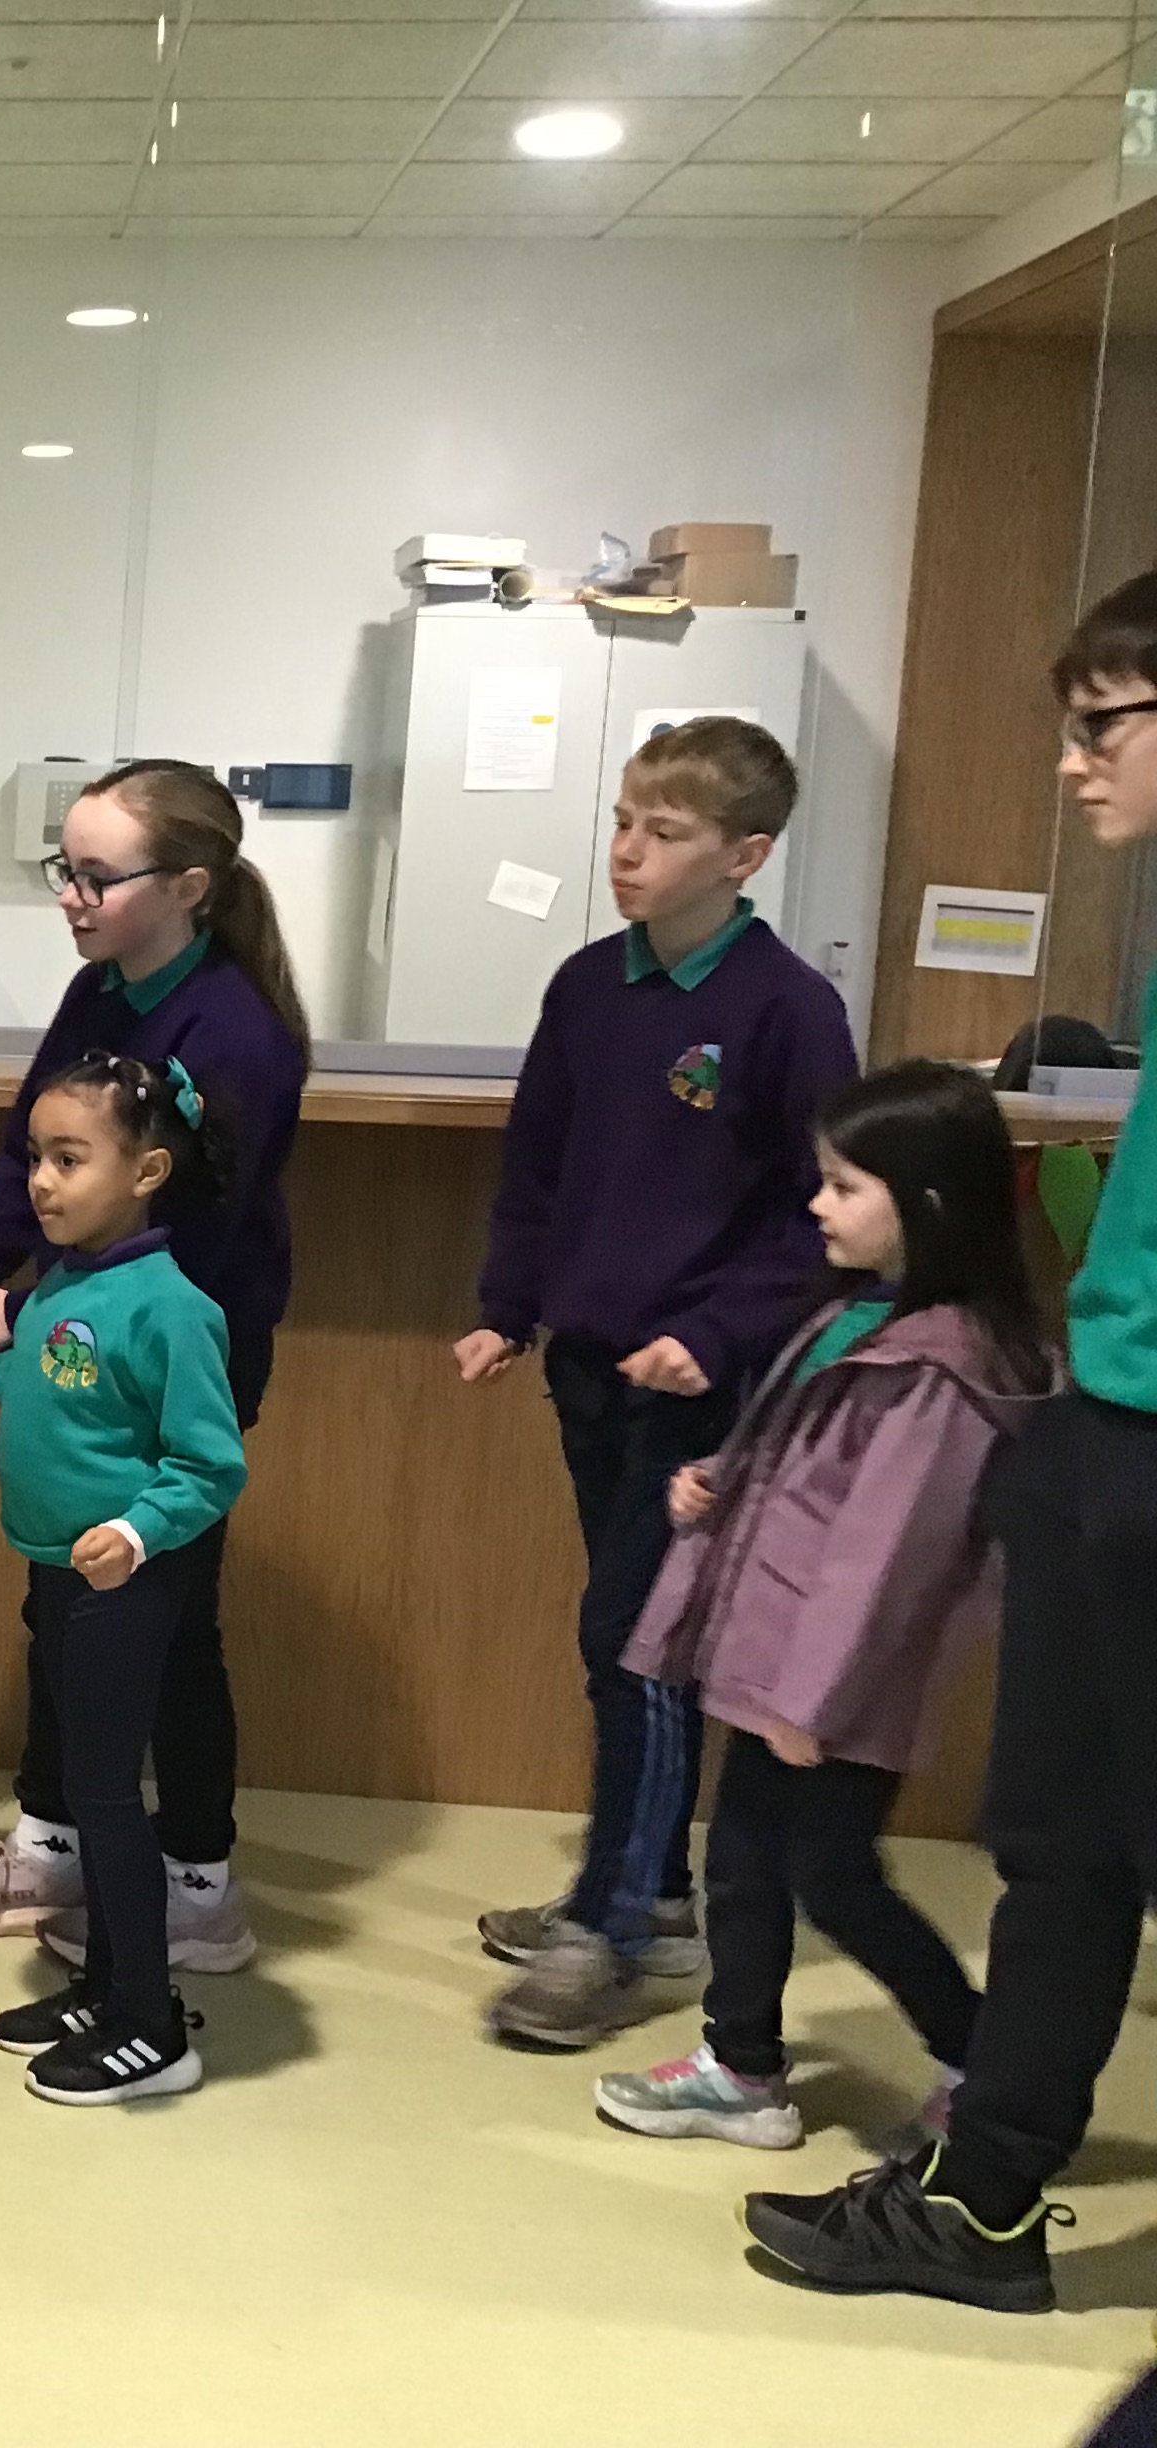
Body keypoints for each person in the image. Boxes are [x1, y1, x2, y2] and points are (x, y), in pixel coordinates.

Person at [742, 570, 1157, 2314]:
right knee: (1065, 1846)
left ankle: (982, 2195)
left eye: (1102, 723)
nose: (1073, 762)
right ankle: (980, 2197)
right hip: (1108, 1419)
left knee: (1083, 1843)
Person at [457, 716, 857, 2050]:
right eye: (624, 820)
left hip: (703, 1392)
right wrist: (508, 1310)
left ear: (746, 856)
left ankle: (614, 1921)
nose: (628, 850)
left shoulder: (788, 1009)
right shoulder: (588, 987)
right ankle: (657, 1898)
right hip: (591, 1369)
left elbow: (825, 1216)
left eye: (665, 831)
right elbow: (538, 1167)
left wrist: (723, 1334)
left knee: (637, 1643)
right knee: (624, 1639)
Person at [0, 760, 306, 1979]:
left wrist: (24, 1315)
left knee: (166, 1628)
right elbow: (26, 1156)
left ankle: (198, 1883)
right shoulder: (99, 991)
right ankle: (58, 1842)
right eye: (61, 871)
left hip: (171, 1363)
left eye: (97, 876)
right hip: (72, 1340)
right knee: (63, 1607)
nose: (71, 896)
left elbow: (192, 1251)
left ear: (189, 886)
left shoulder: (236, 1035)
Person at [592, 1061, 1050, 2151]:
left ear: (927, 1202)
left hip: (832, 1684)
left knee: (833, 1878)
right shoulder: (857, 1316)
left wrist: (814, 1701)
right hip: (779, 1665)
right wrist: (718, 1480)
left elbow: (884, 1556)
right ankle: (743, 2065)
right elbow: (804, 1465)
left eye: (845, 1186)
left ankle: (980, 2059)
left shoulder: (944, 1369)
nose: (817, 1205)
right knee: (745, 1863)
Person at [0, 1052, 246, 2103]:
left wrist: (135, 1529)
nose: (41, 1181)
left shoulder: (171, 1307)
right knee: (84, 1785)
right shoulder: (66, 1284)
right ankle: (108, 1985)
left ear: (148, 1171)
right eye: (36, 1157)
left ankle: (151, 2025)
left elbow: (209, 1465)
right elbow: (61, 1402)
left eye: (69, 1160)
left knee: (110, 1799)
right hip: (57, 1575)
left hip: (124, 1584)